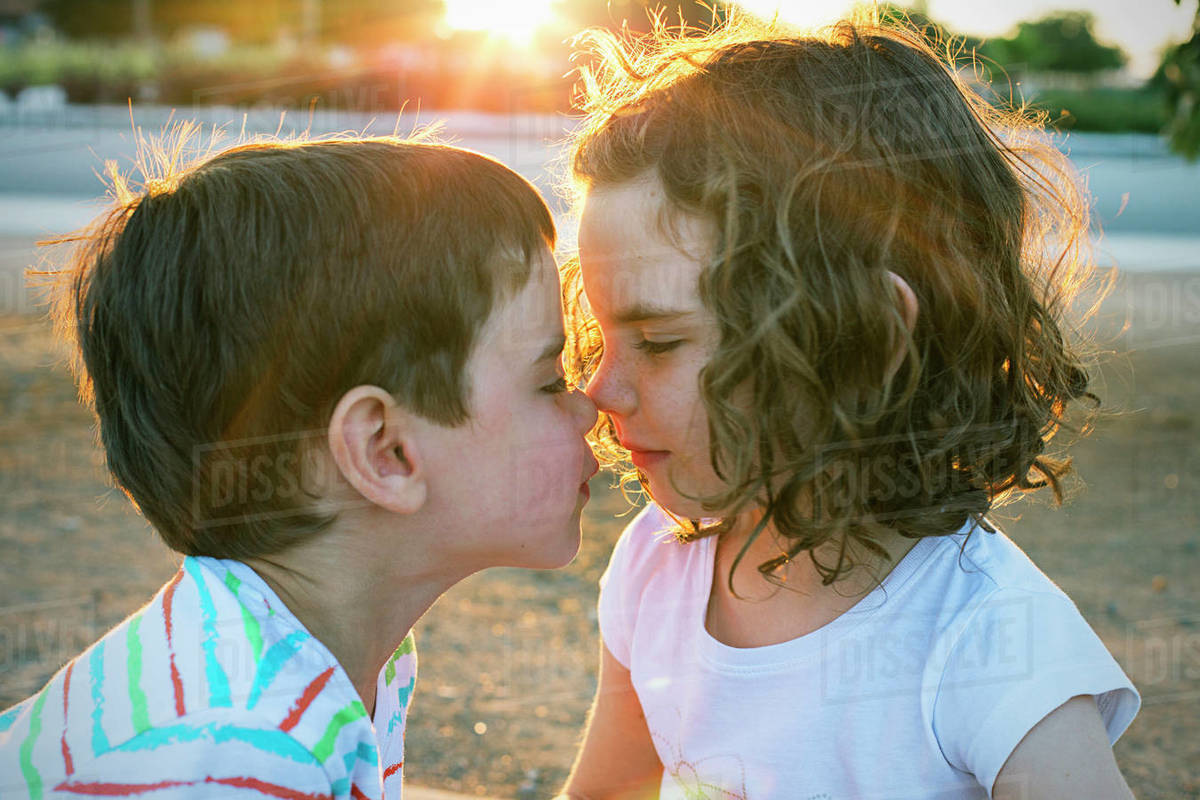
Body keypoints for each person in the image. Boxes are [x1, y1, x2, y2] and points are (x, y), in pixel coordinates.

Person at [558, 12, 1139, 800]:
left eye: (658, 342)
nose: (600, 391)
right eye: (602, 334)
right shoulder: (656, 570)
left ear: (865, 338)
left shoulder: (992, 644)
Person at [0, 134, 598, 799]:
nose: (589, 407)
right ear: (386, 452)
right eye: (550, 381)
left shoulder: (335, 662)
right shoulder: (235, 753)